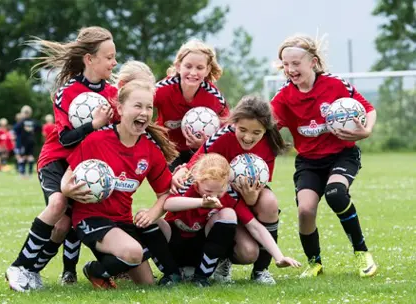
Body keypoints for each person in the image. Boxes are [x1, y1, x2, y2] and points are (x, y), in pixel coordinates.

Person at [5, 26, 117, 292]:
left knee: (65, 225)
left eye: (115, 56)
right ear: (90, 59)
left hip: (85, 164)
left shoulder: (113, 93)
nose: (114, 62)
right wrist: (94, 123)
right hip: (56, 160)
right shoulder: (66, 92)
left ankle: (32, 271)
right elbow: (66, 139)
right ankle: (18, 267)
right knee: (56, 204)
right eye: (109, 57)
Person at [270, 34, 378, 278]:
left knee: (336, 194)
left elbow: (368, 109)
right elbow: (267, 126)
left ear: (313, 62)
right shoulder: (283, 96)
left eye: (296, 63)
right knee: (305, 211)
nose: (290, 69)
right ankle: (314, 263)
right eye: (286, 64)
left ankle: (362, 253)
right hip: (308, 161)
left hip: (342, 154)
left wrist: (366, 130)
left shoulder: (335, 85)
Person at [62, 79, 182, 289]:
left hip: (123, 221)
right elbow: (69, 174)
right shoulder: (97, 140)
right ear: (120, 108)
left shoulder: (150, 151)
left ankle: (105, 267)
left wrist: (153, 214)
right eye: (137, 106)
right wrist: (65, 188)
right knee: (133, 253)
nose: (144, 112)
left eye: (149, 107)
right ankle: (95, 270)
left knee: (147, 283)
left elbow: (165, 192)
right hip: (91, 219)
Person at [171, 95, 289, 285]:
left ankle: (261, 270)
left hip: (243, 197)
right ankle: (218, 258)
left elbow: (256, 193)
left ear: (265, 130)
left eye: (256, 132)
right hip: (219, 196)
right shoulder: (221, 137)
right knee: (246, 249)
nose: (248, 137)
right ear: (234, 123)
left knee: (269, 201)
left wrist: (251, 197)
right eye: (242, 130)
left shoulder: (269, 145)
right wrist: (181, 171)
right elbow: (195, 165)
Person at [159, 153, 300, 287]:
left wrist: (279, 256)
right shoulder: (186, 185)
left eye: (220, 191)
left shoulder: (230, 195)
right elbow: (168, 204)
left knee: (228, 214)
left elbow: (255, 227)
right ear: (197, 185)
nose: (215, 196)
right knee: (151, 222)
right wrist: (201, 202)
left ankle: (202, 277)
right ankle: (171, 273)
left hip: (203, 249)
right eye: (208, 191)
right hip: (175, 246)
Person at [154, 39, 230, 171]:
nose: (193, 73)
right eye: (188, 66)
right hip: (168, 148)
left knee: (199, 186)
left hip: (200, 150)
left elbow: (228, 127)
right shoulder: (161, 90)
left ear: (207, 70)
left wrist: (206, 143)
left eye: (199, 68)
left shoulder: (214, 97)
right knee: (174, 186)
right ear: (178, 66)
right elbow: (139, 103)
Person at [14, 105, 41, 178]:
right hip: (31, 141)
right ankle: (30, 173)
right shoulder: (33, 121)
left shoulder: (22, 122)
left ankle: (22, 174)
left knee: (21, 157)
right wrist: (32, 131)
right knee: (30, 156)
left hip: (23, 142)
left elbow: (15, 129)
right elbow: (39, 127)